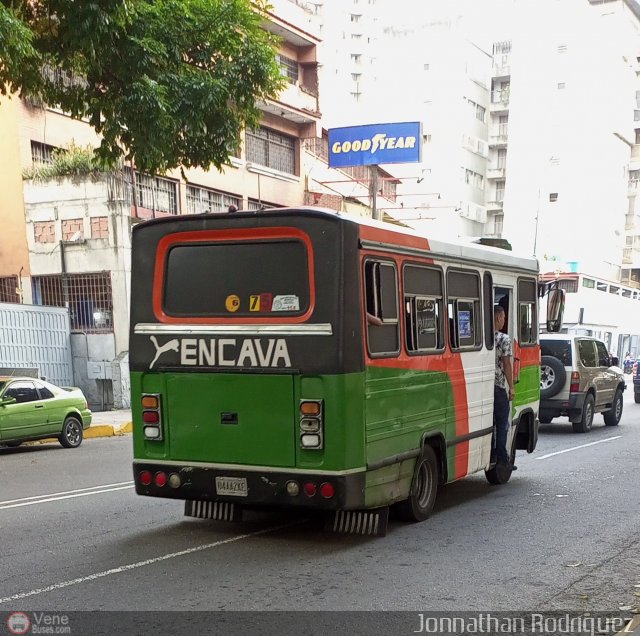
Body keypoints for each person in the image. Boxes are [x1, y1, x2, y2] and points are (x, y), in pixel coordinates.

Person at [493, 305, 516, 471]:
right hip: (498, 386)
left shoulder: (484, 337)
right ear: (498, 317)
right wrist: (511, 387)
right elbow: (507, 364)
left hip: (484, 384)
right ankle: (502, 459)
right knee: (502, 424)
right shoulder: (503, 339)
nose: (504, 321)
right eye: (503, 317)